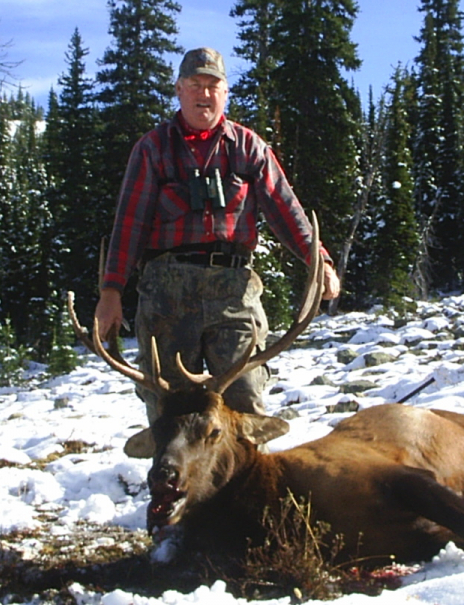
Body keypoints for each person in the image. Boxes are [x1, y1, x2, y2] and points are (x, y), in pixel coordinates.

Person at [94, 46, 340, 439]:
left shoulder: (248, 148)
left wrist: (320, 262)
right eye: (195, 84)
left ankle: (247, 496)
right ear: (179, 89)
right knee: (168, 409)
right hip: (166, 294)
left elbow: (286, 211)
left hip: (233, 291)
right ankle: (175, 497)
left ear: (225, 92)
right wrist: (111, 291)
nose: (204, 94)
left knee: (244, 401)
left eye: (213, 85)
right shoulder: (153, 149)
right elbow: (130, 223)